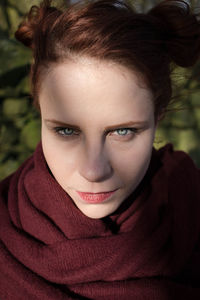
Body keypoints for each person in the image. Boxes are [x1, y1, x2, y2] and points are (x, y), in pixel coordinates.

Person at [0, 0, 200, 298]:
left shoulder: (192, 208)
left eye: (123, 131)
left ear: (157, 118)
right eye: (66, 131)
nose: (94, 170)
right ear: (40, 112)